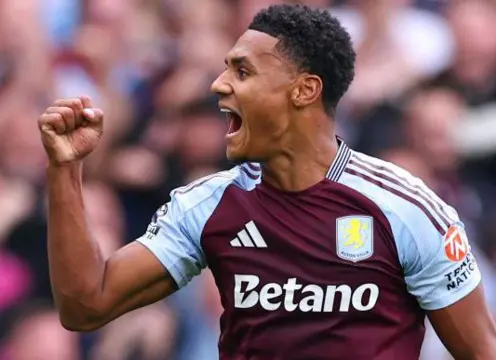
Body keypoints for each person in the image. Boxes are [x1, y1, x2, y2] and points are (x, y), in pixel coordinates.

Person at [37, 4, 496, 359]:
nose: (218, 84)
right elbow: (86, 305)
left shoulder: (406, 208)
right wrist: (65, 171)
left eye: (242, 71)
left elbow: (481, 351)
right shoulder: (208, 204)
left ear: (304, 91)